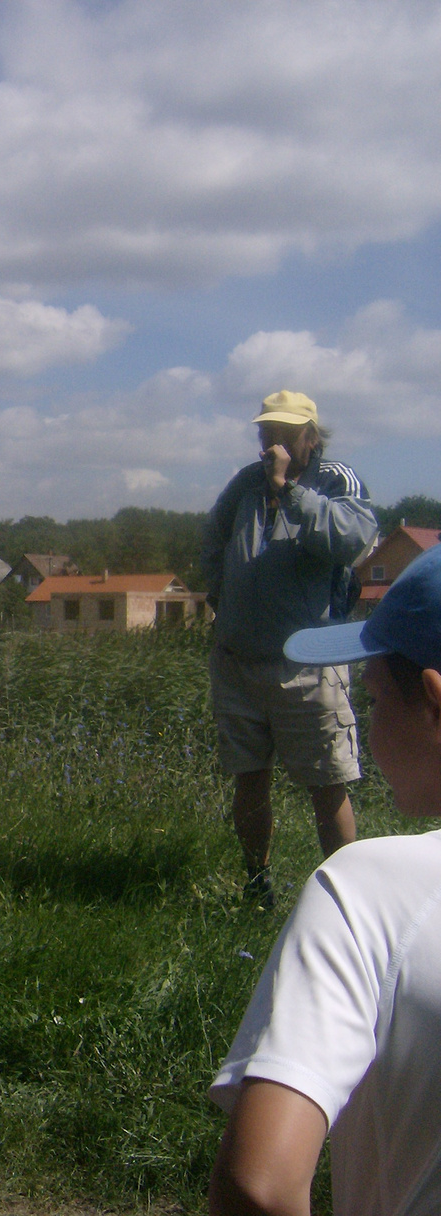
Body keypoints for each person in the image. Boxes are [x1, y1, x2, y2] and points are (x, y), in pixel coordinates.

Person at [208, 544, 441, 1215]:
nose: (368, 726)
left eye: (372, 697)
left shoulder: (371, 889)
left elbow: (261, 1184)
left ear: (433, 704)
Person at [199, 390, 379, 908]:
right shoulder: (244, 485)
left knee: (327, 784)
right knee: (249, 781)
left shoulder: (334, 480)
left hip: (310, 666)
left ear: (310, 437)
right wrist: (220, 594)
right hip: (238, 662)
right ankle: (258, 883)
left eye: (283, 433)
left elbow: (352, 539)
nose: (271, 443)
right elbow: (213, 538)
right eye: (265, 432)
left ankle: (344, 903)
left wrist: (288, 491)